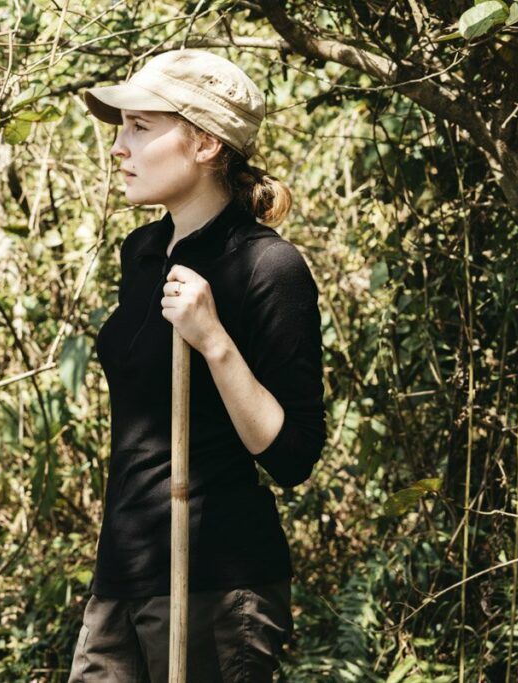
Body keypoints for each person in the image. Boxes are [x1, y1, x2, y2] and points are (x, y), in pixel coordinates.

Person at [68, 49, 327, 682]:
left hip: (213, 582)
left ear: (206, 142)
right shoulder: (144, 251)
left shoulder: (270, 267)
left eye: (141, 127)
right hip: (123, 574)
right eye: (120, 127)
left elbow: (291, 455)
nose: (118, 148)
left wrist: (214, 340)